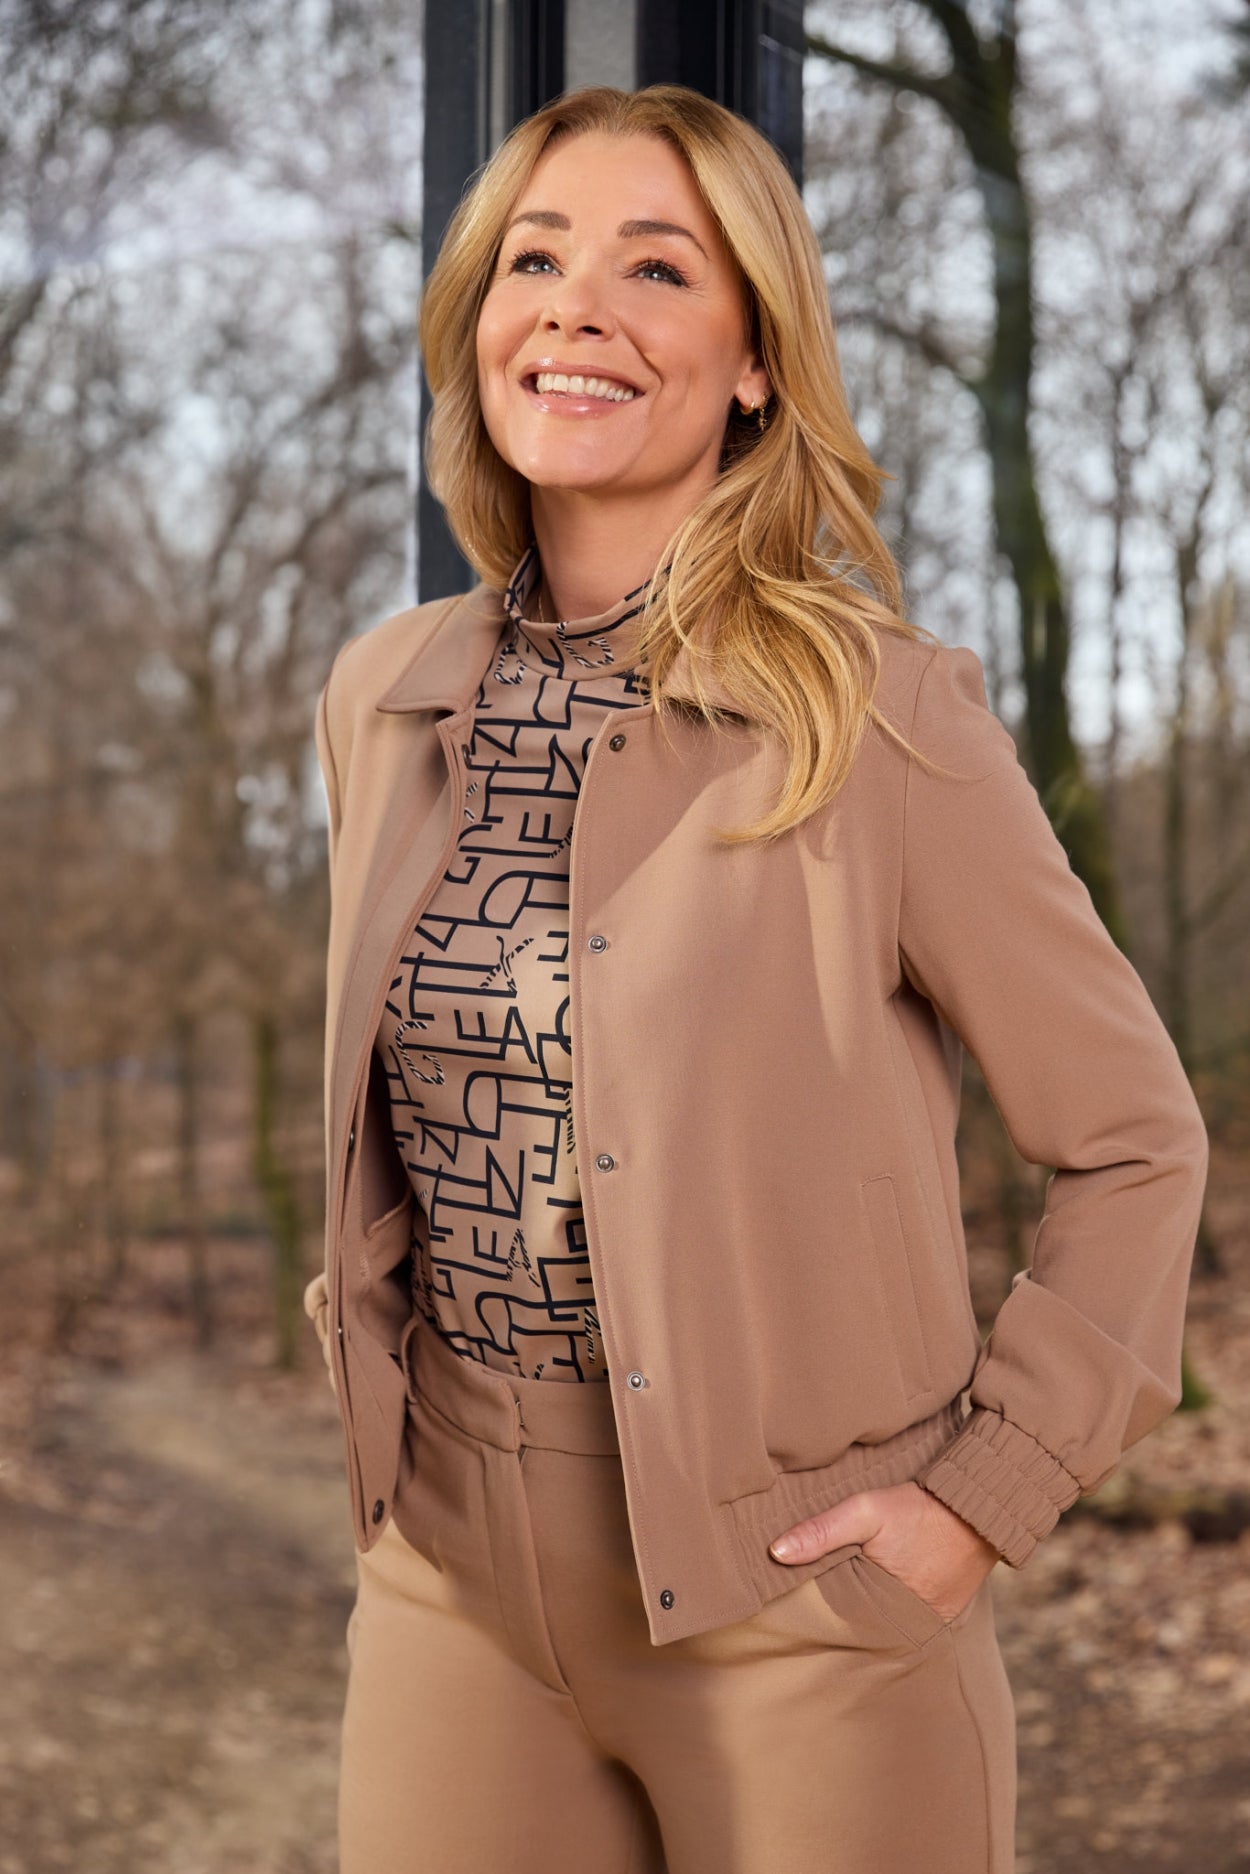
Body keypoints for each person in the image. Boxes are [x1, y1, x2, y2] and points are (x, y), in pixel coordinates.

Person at [302, 83, 1208, 1874]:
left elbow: (1132, 1139)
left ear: (754, 365)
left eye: (656, 268)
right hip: (448, 1578)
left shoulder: (880, 715)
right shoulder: (382, 697)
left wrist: (980, 1496)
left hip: (799, 1605)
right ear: (476, 321)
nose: (574, 307)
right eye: (533, 260)